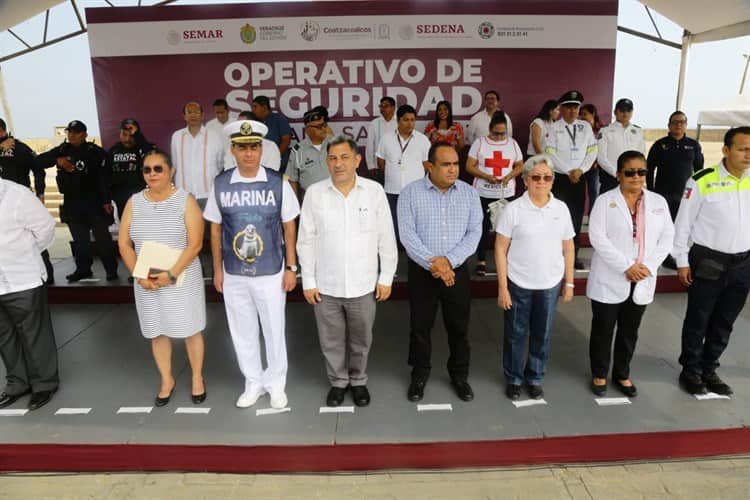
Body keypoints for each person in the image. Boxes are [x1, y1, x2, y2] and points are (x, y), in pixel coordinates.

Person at [204, 119, 300, 409]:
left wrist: (291, 268)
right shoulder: (221, 183)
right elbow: (216, 229)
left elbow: (289, 226)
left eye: (254, 147)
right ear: (233, 150)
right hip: (234, 272)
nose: (249, 153)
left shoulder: (277, 182)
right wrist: (217, 270)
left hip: (271, 270)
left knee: (273, 330)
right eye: (242, 148)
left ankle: (276, 384)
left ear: (262, 149)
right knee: (242, 331)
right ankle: (253, 382)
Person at [297, 136, 398, 407]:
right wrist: (307, 280)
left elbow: (386, 237)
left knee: (361, 339)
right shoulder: (315, 193)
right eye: (332, 158)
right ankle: (338, 382)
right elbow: (305, 239)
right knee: (330, 340)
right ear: (326, 162)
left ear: (357, 160)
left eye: (344, 157)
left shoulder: (373, 191)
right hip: (325, 284)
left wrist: (386, 277)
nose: (338, 163)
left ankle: (359, 380)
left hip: (363, 283)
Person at [117, 150, 207, 407]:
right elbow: (124, 243)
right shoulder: (134, 202)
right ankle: (166, 380)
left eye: (158, 168)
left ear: (171, 171)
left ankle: (197, 378)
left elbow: (196, 244)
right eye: (147, 169)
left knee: (190, 329)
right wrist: (140, 275)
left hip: (181, 276)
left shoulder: (185, 200)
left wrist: (172, 274)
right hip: (146, 280)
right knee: (157, 331)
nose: (152, 174)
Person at [397, 143, 483, 403]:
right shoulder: (410, 193)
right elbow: (407, 235)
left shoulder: (469, 194)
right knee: (420, 327)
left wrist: (449, 261)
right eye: (446, 164)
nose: (453, 169)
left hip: (456, 272)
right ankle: (419, 374)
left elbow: (475, 233)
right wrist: (433, 264)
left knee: (459, 327)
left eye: (456, 164)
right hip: (423, 272)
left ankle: (459, 375)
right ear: (429, 166)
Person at [586, 151, 674, 397]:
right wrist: (627, 266)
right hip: (611, 276)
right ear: (618, 175)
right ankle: (600, 373)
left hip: (643, 277)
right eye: (630, 172)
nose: (636, 177)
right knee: (603, 329)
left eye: (642, 172)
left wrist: (648, 265)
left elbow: (667, 237)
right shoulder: (605, 201)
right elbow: (597, 237)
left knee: (629, 330)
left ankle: (622, 374)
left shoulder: (658, 202)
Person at [672, 126, 750, 396]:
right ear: (726, 150)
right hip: (708, 260)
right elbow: (682, 225)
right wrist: (681, 260)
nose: (748, 155)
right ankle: (690, 370)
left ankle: (709, 368)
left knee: (725, 320)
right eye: (742, 149)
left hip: (743, 264)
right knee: (699, 318)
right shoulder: (702, 180)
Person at [495, 154, 575, 400]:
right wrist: (503, 288)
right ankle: (514, 378)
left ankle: (536, 377)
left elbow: (569, 247)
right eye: (536, 177)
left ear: (552, 181)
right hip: (519, 283)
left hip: (550, 284)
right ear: (526, 180)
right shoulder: (513, 209)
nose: (542, 181)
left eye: (547, 177)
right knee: (515, 334)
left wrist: (569, 282)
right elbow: (500, 248)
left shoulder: (560, 209)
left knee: (542, 333)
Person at [0, 178, 58, 411]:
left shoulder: (18, 195)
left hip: (23, 277)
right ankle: (17, 383)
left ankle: (44, 384)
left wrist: (23, 254)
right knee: (4, 336)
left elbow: (45, 230)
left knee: (34, 333)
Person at [37, 120, 119, 282]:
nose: (71, 135)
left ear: (85, 134)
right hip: (72, 202)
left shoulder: (96, 152)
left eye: (76, 132)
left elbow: (104, 179)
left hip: (94, 202)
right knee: (80, 241)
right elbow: (38, 162)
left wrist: (106, 201)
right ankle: (83, 269)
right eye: (69, 132)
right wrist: (58, 160)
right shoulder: (62, 150)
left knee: (103, 240)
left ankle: (111, 270)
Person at [465, 111, 524, 276]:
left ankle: (505, 260)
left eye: (502, 133)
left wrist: (509, 176)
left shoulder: (512, 143)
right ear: (489, 129)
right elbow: (469, 166)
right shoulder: (480, 143)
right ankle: (481, 261)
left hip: (506, 193)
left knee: (506, 229)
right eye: (496, 133)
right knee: (481, 228)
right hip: (483, 193)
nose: (499, 137)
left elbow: (520, 165)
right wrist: (486, 176)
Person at [545, 90, 597, 270]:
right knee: (558, 216)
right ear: (562, 108)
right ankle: (555, 255)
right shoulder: (553, 127)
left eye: (576, 107)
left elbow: (592, 151)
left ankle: (573, 256)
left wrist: (580, 170)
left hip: (579, 177)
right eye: (569, 107)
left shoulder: (586, 127)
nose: (573, 111)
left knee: (575, 217)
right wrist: (568, 171)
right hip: (560, 178)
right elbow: (549, 153)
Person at [0, 118, 54, 284]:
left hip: (19, 202)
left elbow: (39, 169)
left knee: (29, 236)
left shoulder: (20, 148)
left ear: (2, 131)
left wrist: (40, 194)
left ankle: (47, 276)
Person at [377, 104, 431, 244]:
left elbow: (426, 164)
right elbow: (381, 160)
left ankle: (413, 248)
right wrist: (393, 173)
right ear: (398, 121)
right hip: (392, 189)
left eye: (413, 120)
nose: (410, 123)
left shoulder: (422, 140)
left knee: (416, 223)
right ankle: (396, 249)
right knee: (393, 222)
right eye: (406, 120)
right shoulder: (386, 138)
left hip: (416, 190)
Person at [647, 111, 704, 220]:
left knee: (682, 225)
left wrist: (697, 192)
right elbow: (649, 169)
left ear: (686, 125)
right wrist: (650, 191)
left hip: (685, 195)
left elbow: (699, 170)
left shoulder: (693, 145)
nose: (678, 125)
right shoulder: (659, 145)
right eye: (675, 122)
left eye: (682, 122)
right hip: (662, 194)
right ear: (669, 125)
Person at [169, 101, 226, 209]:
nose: (193, 115)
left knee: (208, 225)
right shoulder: (176, 136)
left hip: (208, 194)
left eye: (196, 112)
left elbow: (220, 164)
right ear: (184, 116)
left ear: (203, 115)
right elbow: (175, 164)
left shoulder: (215, 136)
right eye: (189, 112)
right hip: (183, 194)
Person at [105, 118, 153, 220]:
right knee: (126, 230)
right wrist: (107, 199)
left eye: (131, 135)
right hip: (121, 199)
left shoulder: (143, 148)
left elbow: (152, 156)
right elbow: (105, 175)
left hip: (142, 197)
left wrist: (138, 136)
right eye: (124, 135)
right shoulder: (113, 151)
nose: (127, 139)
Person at [597, 99, 646, 194]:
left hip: (632, 178)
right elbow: (601, 157)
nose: (625, 113)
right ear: (615, 112)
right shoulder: (605, 131)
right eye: (622, 110)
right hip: (611, 178)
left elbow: (641, 155)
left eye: (628, 111)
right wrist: (617, 174)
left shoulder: (638, 131)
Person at [287, 106, 333, 199]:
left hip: (336, 199)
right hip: (312, 202)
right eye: (318, 127)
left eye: (324, 125)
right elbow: (292, 180)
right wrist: (295, 207)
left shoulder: (335, 144)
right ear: (307, 130)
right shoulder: (298, 151)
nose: (323, 129)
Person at [251, 95, 292, 171]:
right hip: (261, 164)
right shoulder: (254, 122)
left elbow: (286, 140)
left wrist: (276, 157)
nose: (252, 110)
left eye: (255, 107)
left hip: (281, 163)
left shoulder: (279, 119)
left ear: (264, 107)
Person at [579, 103, 604, 208]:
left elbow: (602, 148)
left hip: (594, 167)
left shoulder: (601, 130)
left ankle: (592, 216)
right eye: (581, 115)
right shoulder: (579, 129)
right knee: (579, 192)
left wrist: (597, 162)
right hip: (579, 165)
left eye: (585, 114)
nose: (582, 117)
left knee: (594, 191)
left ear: (593, 114)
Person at [366, 96, 397, 173]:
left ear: (393, 108)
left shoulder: (399, 122)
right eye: (381, 106)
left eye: (386, 106)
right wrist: (371, 166)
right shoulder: (374, 123)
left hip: (397, 165)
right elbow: (370, 145)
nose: (382, 108)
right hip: (379, 166)